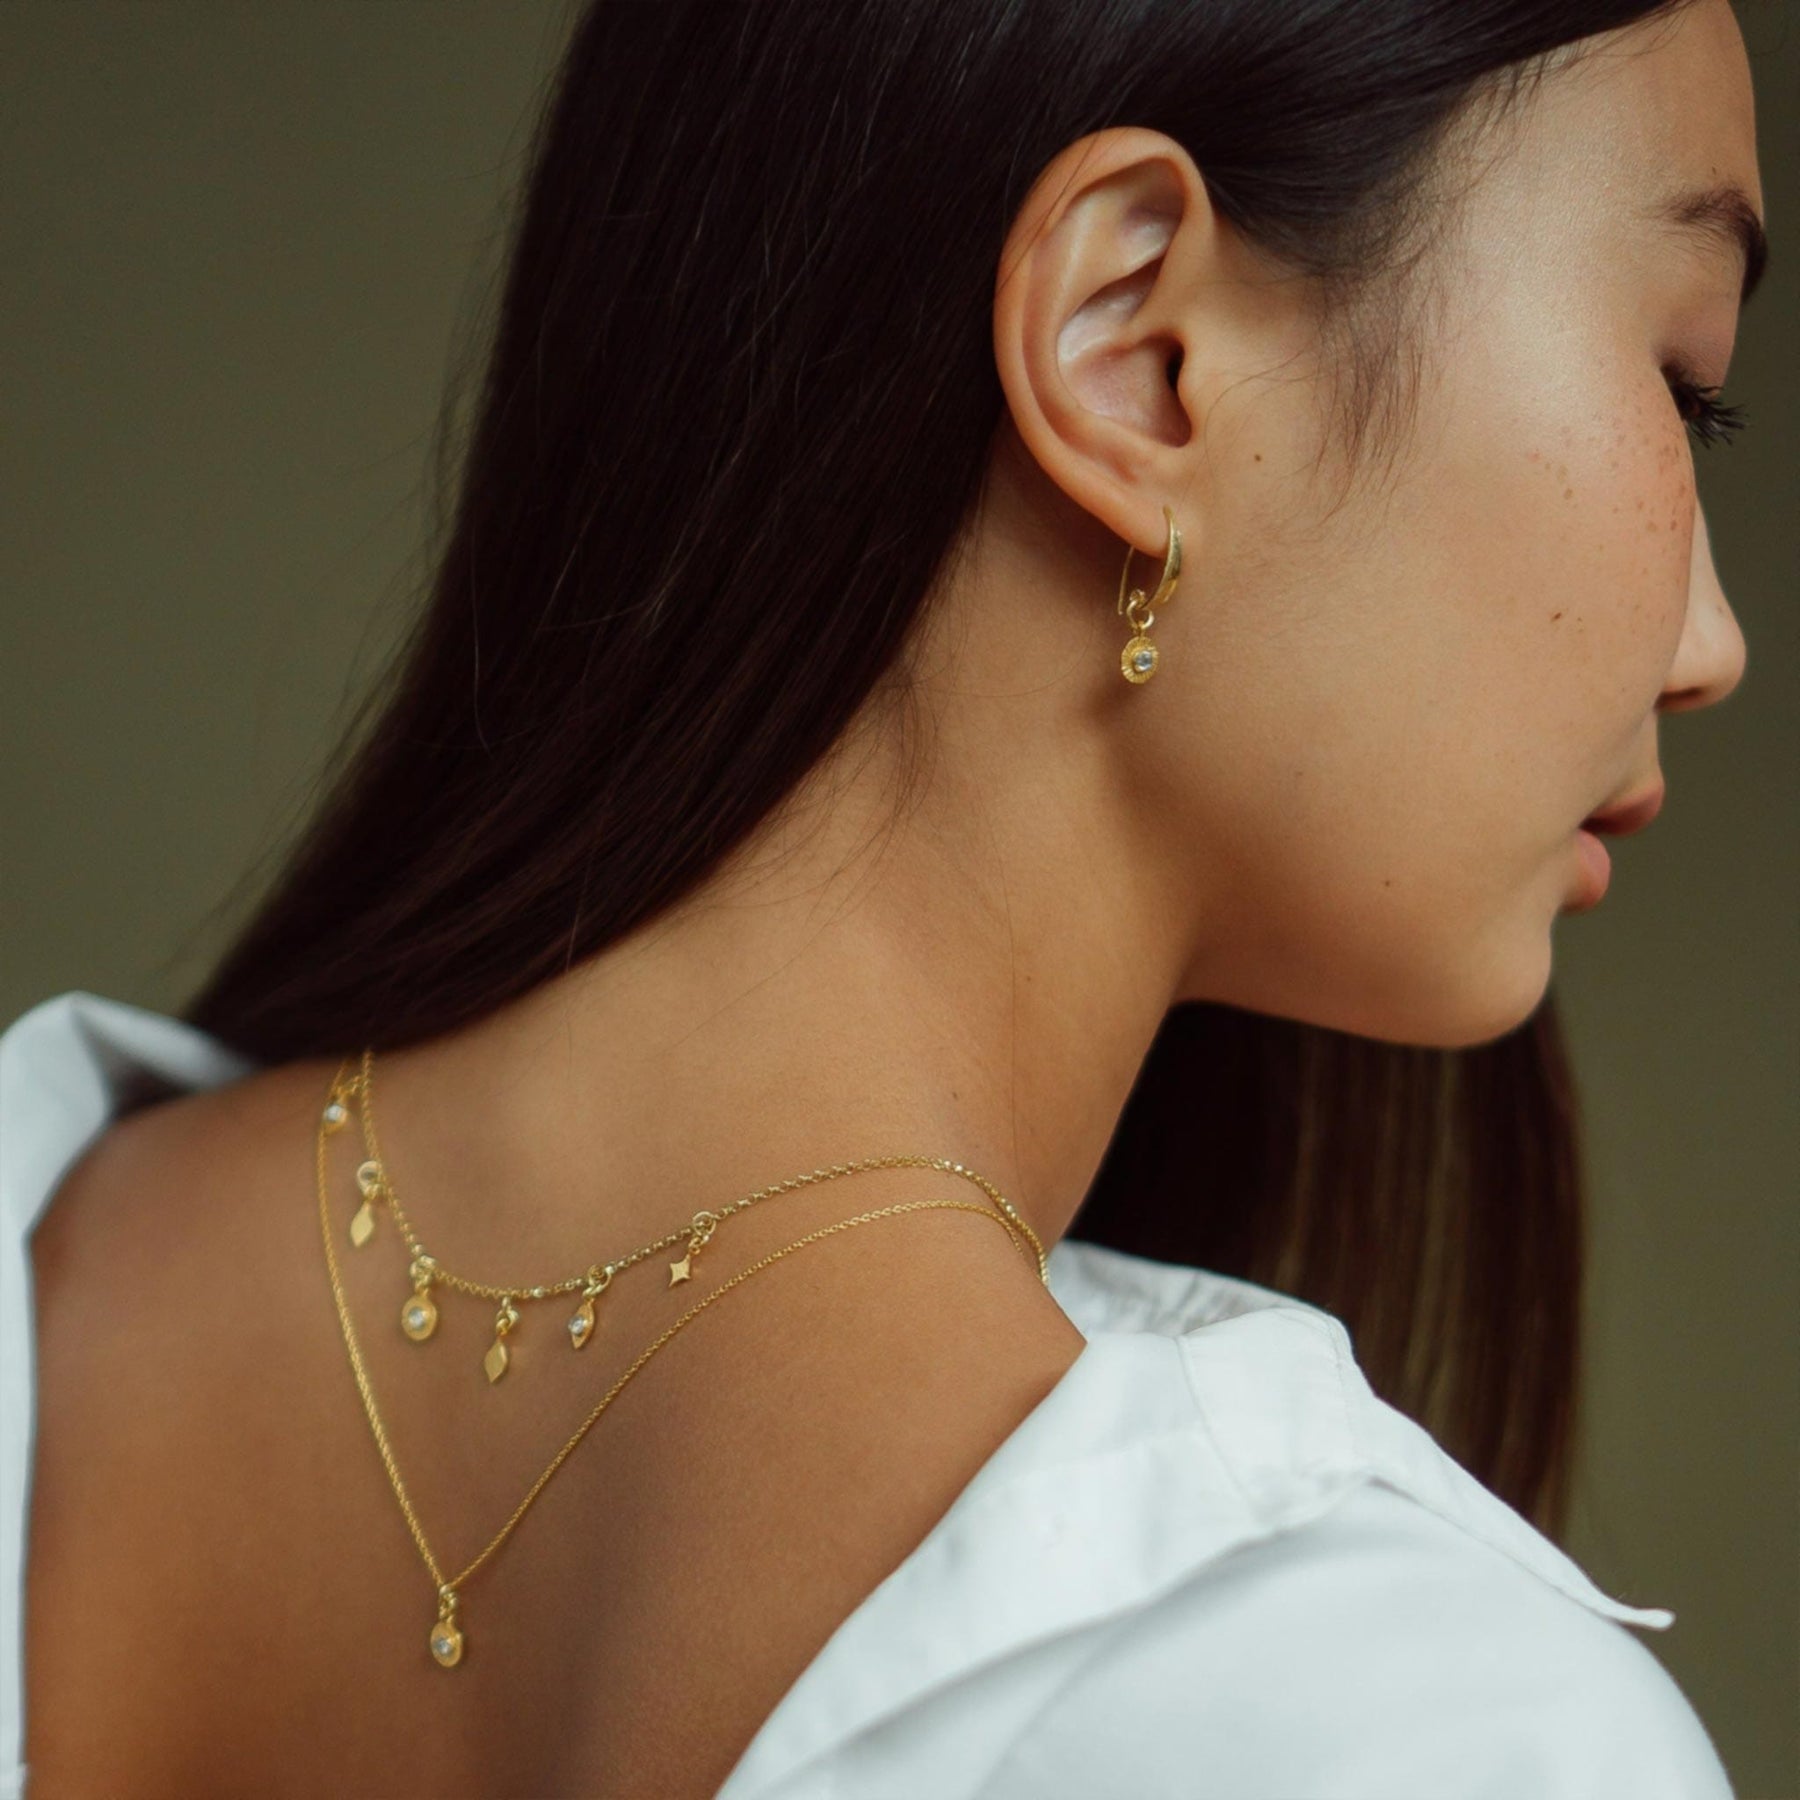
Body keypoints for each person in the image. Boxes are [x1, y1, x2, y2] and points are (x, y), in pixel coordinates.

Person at [4, 0, 1764, 1792]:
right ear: (1138, 351)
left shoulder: (64, 1242)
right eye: (1684, 381)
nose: (1715, 645)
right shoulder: (1420, 1729)